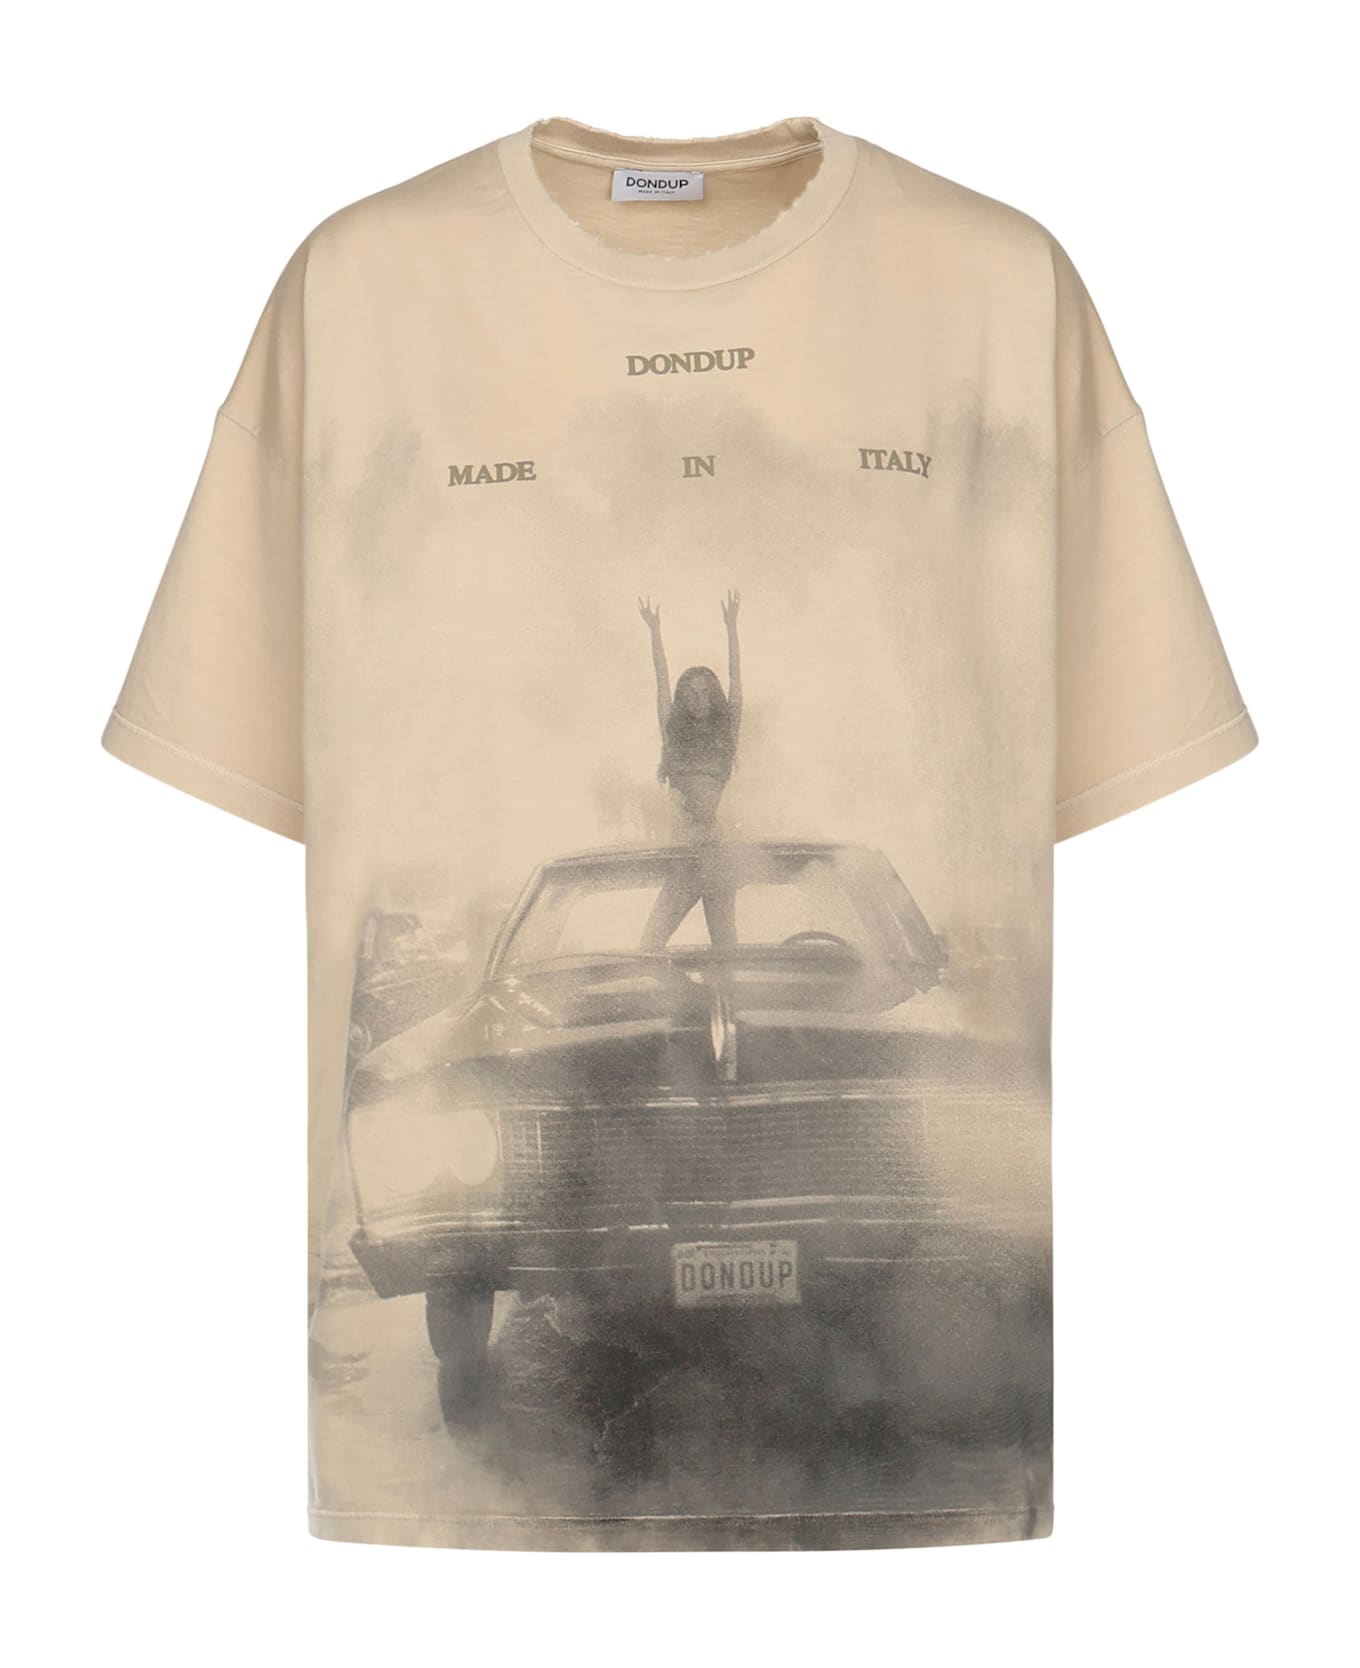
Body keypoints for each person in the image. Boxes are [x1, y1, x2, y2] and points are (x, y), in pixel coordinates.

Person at [636, 590, 742, 949]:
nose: (697, 699)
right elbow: (661, 679)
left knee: (727, 949)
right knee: (649, 945)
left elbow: (736, 684)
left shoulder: (726, 736)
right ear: (682, 699)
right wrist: (654, 631)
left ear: (715, 697)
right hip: (683, 856)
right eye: (690, 693)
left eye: (705, 692)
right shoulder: (673, 735)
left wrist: (731, 628)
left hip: (715, 854)